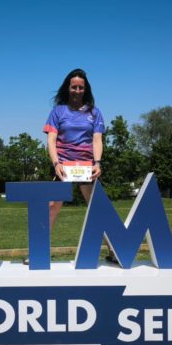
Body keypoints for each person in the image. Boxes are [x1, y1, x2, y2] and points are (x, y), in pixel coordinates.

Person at [34, 68, 117, 264]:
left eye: (81, 87)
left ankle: (116, 251)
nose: (77, 91)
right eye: (74, 87)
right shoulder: (57, 111)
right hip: (63, 166)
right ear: (68, 88)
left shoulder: (94, 113)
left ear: (85, 89)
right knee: (51, 207)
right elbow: (51, 140)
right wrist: (56, 163)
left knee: (98, 208)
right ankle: (38, 253)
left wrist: (97, 163)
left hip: (87, 167)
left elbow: (97, 140)